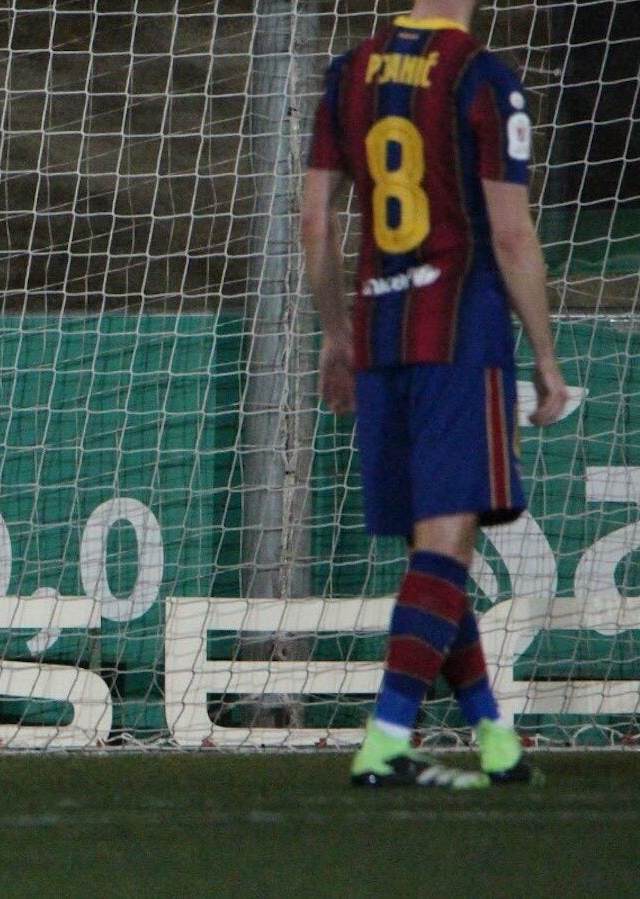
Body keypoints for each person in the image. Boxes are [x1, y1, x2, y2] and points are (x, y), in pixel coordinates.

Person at [303, 0, 568, 788]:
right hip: (458, 334)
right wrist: (546, 359)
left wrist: (335, 334)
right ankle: (386, 735)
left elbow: (314, 223)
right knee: (446, 545)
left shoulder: (346, 73)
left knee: (433, 554)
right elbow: (512, 234)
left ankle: (493, 735)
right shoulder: (482, 78)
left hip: (379, 332)